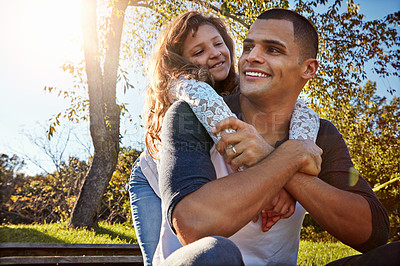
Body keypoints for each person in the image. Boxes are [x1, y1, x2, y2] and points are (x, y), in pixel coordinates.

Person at [156, 8, 391, 265]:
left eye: (273, 50)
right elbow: (194, 226)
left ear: (308, 69)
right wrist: (289, 157)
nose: (252, 57)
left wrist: (279, 163)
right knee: (217, 252)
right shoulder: (191, 114)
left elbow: (373, 233)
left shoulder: (319, 133)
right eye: (248, 48)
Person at [128, 11, 320, 265]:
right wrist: (276, 177)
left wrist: (293, 169)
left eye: (218, 43)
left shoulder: (247, 82)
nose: (215, 53)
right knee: (159, 257)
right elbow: (229, 134)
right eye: (199, 52)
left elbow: (302, 111)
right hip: (149, 176)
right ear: (181, 63)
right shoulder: (186, 85)